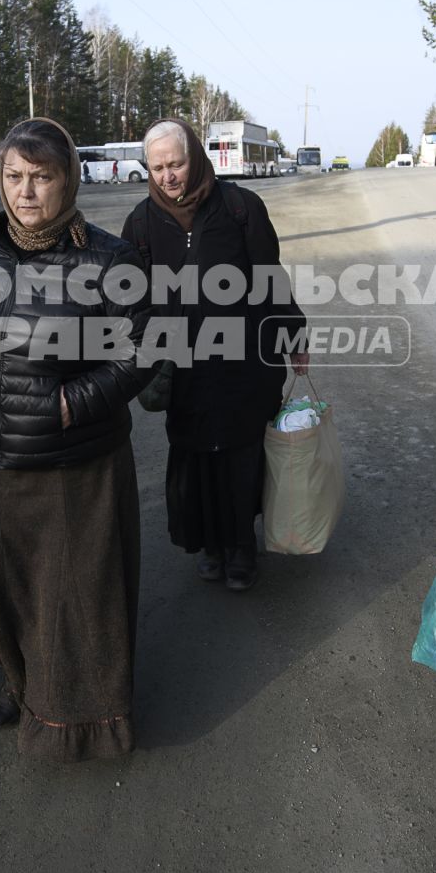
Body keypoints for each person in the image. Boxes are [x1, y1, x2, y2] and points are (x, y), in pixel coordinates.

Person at [0, 117, 148, 761]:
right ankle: (17, 678)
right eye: (14, 177)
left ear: (68, 179)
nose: (26, 192)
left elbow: (144, 352)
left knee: (67, 594)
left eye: (41, 178)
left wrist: (74, 402)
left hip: (73, 460)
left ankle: (69, 713)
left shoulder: (110, 258)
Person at [121, 118, 306, 591]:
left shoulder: (240, 207)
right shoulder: (140, 223)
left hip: (245, 360)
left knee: (243, 453)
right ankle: (209, 544)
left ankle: (242, 545)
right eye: (158, 167)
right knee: (194, 455)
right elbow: (130, 298)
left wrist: (293, 337)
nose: (168, 176)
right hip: (182, 369)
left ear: (196, 158)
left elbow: (271, 278)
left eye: (176, 164)